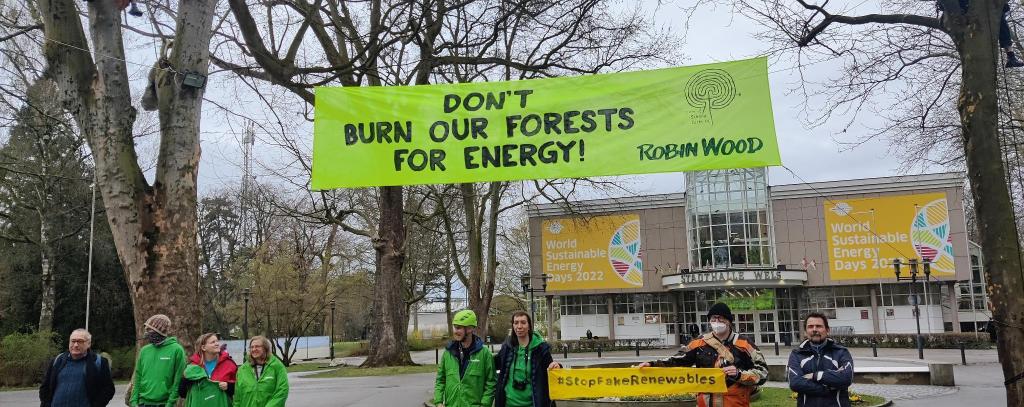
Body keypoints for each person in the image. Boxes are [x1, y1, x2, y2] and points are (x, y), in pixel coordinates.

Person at [637, 303, 768, 407]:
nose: (717, 321)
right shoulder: (699, 342)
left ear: (729, 321)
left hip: (735, 402)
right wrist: (652, 364)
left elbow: (763, 372)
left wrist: (740, 374)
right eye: (713, 318)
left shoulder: (744, 343)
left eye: (720, 318)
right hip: (705, 402)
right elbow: (678, 360)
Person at [495, 311, 562, 407]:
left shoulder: (541, 349)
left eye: (523, 322)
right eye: (516, 322)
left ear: (529, 326)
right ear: (513, 326)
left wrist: (557, 366)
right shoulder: (507, 348)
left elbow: (552, 371)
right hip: (508, 404)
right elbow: (493, 364)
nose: (519, 326)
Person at [787, 313, 854, 407]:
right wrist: (828, 388)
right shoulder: (797, 354)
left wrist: (816, 376)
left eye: (819, 326)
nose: (814, 329)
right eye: (810, 327)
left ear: (827, 330)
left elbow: (846, 378)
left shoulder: (841, 352)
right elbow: (795, 383)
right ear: (805, 332)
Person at [433, 310, 496, 407]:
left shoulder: (484, 353)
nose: (455, 331)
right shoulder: (448, 353)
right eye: (455, 328)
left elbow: (491, 383)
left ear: (470, 328)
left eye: (459, 328)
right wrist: (439, 402)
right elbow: (441, 380)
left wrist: (485, 404)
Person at [39, 329, 115, 407]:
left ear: (88, 344)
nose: (75, 345)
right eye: (73, 341)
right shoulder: (57, 361)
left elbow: (108, 389)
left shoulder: (99, 362)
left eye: (80, 341)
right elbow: (45, 388)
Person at [938, 0, 1024, 67]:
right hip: (965, 9)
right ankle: (1010, 56)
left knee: (1001, 22)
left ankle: (1011, 56)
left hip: (981, 11)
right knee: (1001, 22)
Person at [131, 314, 187, 407]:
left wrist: (170, 403)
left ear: (160, 330)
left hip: (164, 404)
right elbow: (138, 377)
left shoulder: (177, 350)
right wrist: (133, 401)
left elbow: (178, 380)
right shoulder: (144, 350)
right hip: (142, 403)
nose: (146, 333)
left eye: (149, 329)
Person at [179, 333, 237, 407]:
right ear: (203, 347)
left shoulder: (229, 364)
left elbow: (240, 389)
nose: (217, 344)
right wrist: (185, 381)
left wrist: (229, 386)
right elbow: (182, 393)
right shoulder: (192, 366)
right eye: (213, 342)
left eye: (217, 341)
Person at [234, 335, 288, 407]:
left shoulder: (277, 366)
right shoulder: (242, 370)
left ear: (265, 348)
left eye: (257, 346)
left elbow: (282, 391)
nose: (254, 349)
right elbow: (237, 397)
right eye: (252, 347)